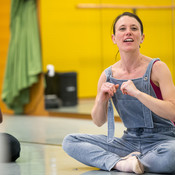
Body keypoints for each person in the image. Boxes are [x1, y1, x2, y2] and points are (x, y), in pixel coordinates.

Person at [62, 12, 175, 174]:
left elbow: (173, 111)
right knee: (70, 141)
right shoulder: (107, 75)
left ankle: (132, 161)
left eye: (134, 28)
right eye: (122, 29)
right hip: (128, 141)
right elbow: (98, 121)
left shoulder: (158, 68)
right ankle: (122, 164)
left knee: (172, 156)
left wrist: (138, 93)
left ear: (142, 37)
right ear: (114, 38)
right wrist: (101, 99)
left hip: (162, 140)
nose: (128, 32)